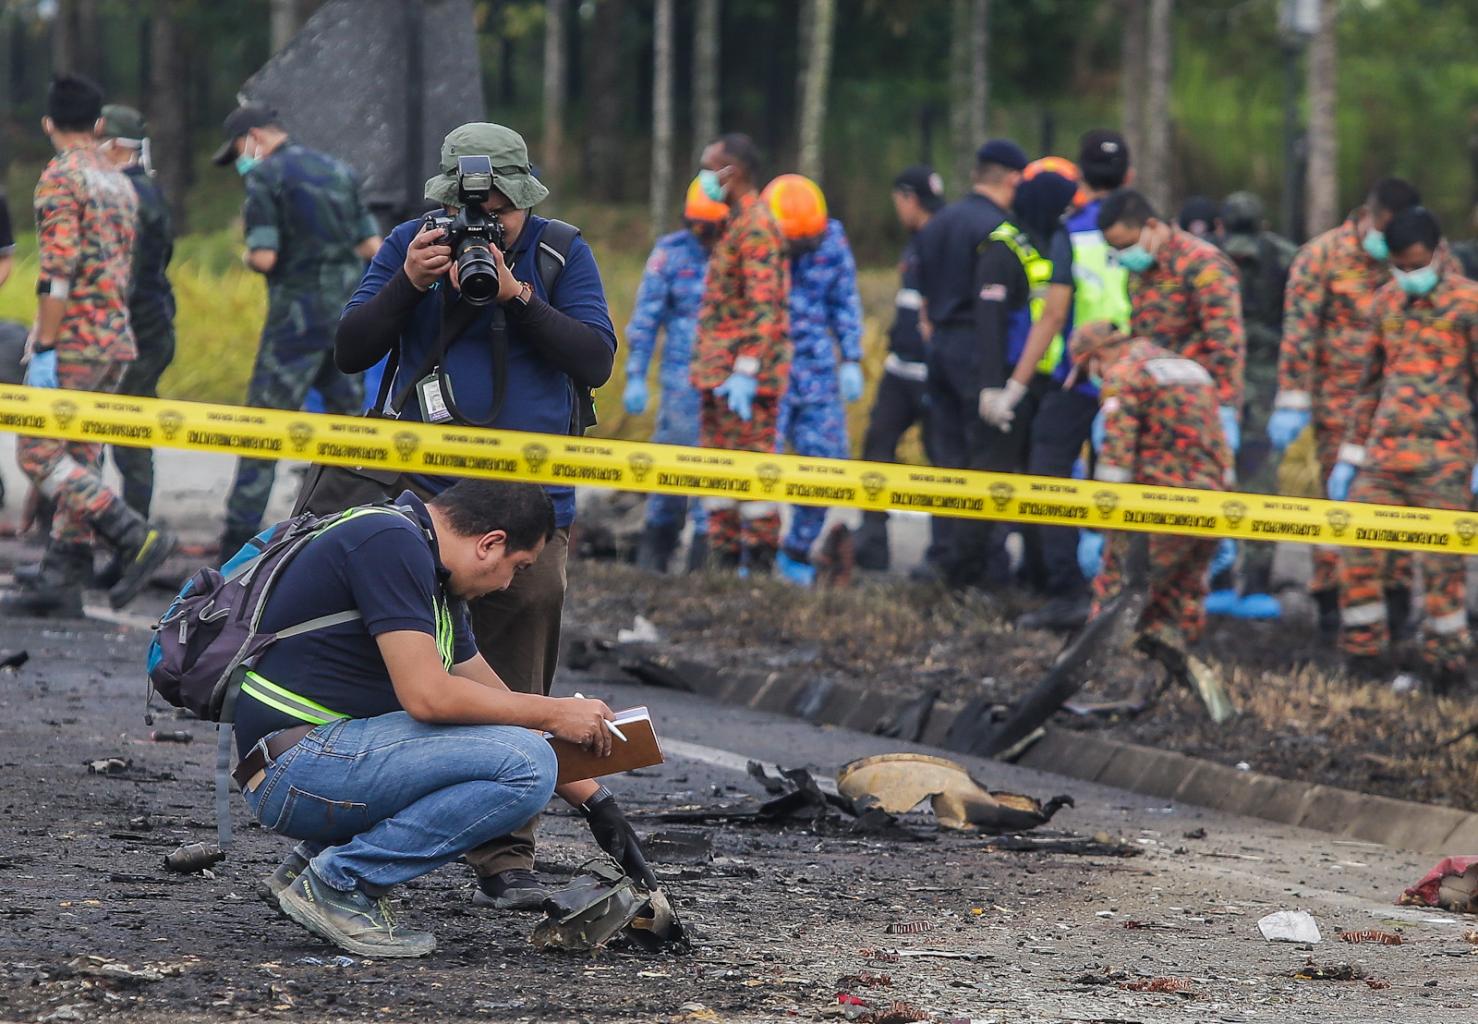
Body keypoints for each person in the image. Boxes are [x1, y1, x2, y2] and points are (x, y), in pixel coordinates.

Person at [334, 121, 624, 911]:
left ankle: (505, 853)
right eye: (471, 213)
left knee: (519, 664)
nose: (482, 229)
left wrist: (518, 296)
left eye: (498, 214)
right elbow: (351, 348)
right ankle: (366, 832)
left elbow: (595, 357)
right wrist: (408, 284)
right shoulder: (408, 243)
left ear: (525, 200)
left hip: (532, 503)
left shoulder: (562, 252)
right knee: (400, 662)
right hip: (425, 498)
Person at [229, 479, 642, 957]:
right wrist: (558, 711)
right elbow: (428, 698)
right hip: (295, 770)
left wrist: (597, 803)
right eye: (518, 568)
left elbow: (497, 702)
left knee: (519, 752)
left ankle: (309, 867)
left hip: (313, 760)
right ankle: (339, 884)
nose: (509, 585)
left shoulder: (430, 570)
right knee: (525, 767)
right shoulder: (389, 542)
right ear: (491, 543)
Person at [3, 75, 175, 618]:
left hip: (74, 338)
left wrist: (47, 344)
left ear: (48, 124)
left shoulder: (61, 178)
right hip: (115, 339)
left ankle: (133, 535)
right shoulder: (118, 179)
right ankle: (64, 574)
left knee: (37, 453)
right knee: (80, 453)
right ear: (99, 125)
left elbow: (58, 271)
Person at [213, 104, 382, 558]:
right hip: (347, 320)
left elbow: (264, 256)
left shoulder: (266, 177)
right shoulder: (340, 171)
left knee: (263, 429)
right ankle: (351, 528)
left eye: (238, 152)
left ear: (253, 138)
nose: (241, 162)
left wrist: (248, 255)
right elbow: (372, 246)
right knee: (348, 432)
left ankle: (235, 543)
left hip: (295, 325)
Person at [1272, 178, 1438, 638]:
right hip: (1337, 408)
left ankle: (1397, 600)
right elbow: (1300, 331)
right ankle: (1329, 601)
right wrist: (1293, 397)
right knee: (1336, 505)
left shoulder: (1415, 257)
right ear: (1369, 215)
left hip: (1407, 405)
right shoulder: (1321, 256)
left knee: (1398, 507)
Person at [1325, 207, 1476, 693]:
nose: (1409, 276)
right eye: (1401, 267)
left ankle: (1447, 668)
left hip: (1445, 460)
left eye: (1416, 264)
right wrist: (1351, 452)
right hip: (1384, 458)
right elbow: (1368, 384)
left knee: (1442, 567)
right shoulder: (1384, 304)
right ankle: (1363, 657)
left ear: (1438, 251)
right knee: (1360, 554)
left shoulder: (1469, 305)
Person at [1013, 131, 1134, 628]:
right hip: (1130, 385)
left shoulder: (1074, 231)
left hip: (1076, 381)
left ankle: (1068, 593)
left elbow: (1052, 315)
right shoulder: (1145, 230)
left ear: (1081, 177)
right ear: (1129, 177)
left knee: (1050, 473)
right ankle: (1117, 592)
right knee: (1122, 487)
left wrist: (1017, 384)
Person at [1071, 320, 1231, 667]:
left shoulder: (1125, 374)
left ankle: (1100, 671)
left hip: (1156, 506)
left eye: (1089, 370)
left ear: (1096, 357)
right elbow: (1219, 443)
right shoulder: (1190, 369)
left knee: (1118, 592)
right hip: (1211, 502)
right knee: (1181, 599)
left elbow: (1116, 456)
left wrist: (1101, 520)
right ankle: (1176, 674)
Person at [951, 166, 1079, 591]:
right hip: (1005, 382)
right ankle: (964, 576)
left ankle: (1036, 575)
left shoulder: (1051, 244)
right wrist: (992, 389)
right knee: (990, 480)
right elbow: (988, 323)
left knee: (1036, 482)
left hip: (1041, 383)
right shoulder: (1004, 248)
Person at [915, 138, 1028, 582]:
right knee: (986, 459)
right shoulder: (999, 229)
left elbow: (922, 291)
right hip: (980, 345)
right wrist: (993, 376)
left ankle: (943, 554)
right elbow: (996, 305)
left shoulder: (939, 223)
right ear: (1012, 180)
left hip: (940, 344)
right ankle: (983, 562)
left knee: (945, 457)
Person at [691, 133, 790, 573]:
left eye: (710, 166)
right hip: (718, 375)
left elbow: (764, 306)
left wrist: (747, 368)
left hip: (743, 379)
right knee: (719, 474)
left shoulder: (757, 226)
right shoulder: (734, 222)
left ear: (732, 173)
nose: (704, 177)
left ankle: (761, 568)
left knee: (751, 477)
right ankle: (725, 568)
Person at [761, 174, 865, 586]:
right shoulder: (753, 241)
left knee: (825, 464)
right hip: (765, 370)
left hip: (817, 370)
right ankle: (751, 552)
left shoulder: (831, 242)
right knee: (754, 468)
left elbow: (844, 300)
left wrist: (852, 357)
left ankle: (798, 551)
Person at [625, 178, 727, 573]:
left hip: (729, 387)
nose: (705, 234)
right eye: (699, 225)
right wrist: (636, 374)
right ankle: (654, 558)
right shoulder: (670, 254)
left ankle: (704, 565)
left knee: (715, 479)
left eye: (712, 226)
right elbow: (647, 319)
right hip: (680, 387)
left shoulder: (738, 254)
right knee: (670, 473)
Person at [854, 166, 945, 573]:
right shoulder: (915, 243)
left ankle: (944, 554)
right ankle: (871, 544)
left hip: (932, 372)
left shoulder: (942, 239)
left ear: (909, 199)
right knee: (877, 448)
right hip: (899, 370)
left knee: (943, 461)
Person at [1215, 190, 1296, 615]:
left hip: (1246, 385)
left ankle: (1238, 580)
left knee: (1239, 477)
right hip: (1256, 384)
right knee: (1254, 477)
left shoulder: (1209, 256)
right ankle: (1237, 579)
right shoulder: (1285, 256)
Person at [97, 105, 176, 526]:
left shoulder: (122, 196)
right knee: (130, 431)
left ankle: (132, 536)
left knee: (124, 434)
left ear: (112, 146)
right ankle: (132, 530)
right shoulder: (149, 190)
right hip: (153, 324)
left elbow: (119, 277)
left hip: (133, 330)